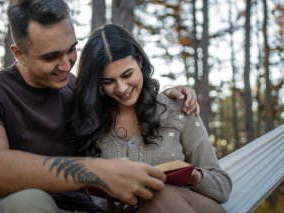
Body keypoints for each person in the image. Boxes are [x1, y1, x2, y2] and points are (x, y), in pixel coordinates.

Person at [0, 0, 199, 212]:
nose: (66, 65)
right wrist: (97, 171)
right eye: (51, 57)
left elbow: (127, 100)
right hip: (21, 207)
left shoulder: (79, 91)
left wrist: (166, 96)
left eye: (71, 49)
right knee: (30, 202)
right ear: (19, 53)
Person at [68, 24, 232, 213]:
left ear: (139, 61)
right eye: (108, 81)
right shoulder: (89, 123)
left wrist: (194, 176)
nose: (121, 88)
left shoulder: (178, 110)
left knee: (156, 194)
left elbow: (223, 187)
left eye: (127, 74)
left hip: (192, 207)